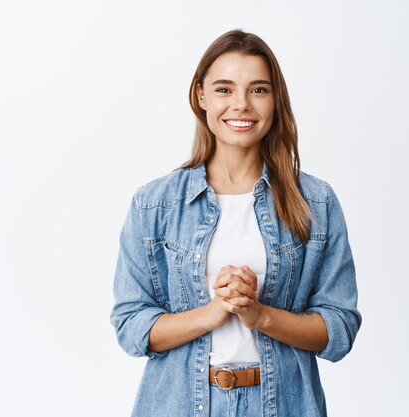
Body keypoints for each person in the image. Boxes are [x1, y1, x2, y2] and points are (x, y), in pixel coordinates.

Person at [110, 29, 361, 417]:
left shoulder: (315, 202)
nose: (241, 104)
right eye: (225, 89)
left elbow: (339, 328)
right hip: (178, 405)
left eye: (258, 90)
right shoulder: (154, 205)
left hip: (284, 406)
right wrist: (214, 312)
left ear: (276, 99)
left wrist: (258, 314)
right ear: (201, 96)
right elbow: (131, 326)